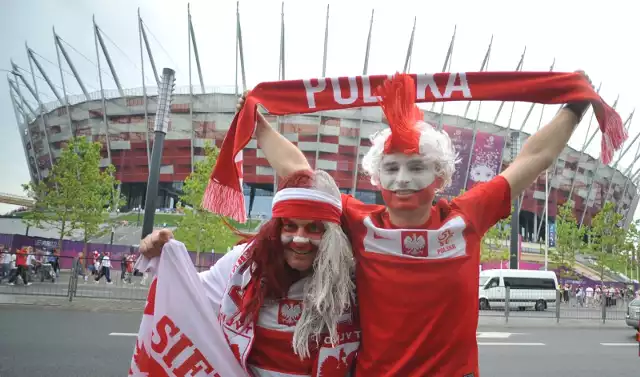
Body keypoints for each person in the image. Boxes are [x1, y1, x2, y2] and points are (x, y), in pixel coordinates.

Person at [225, 72, 596, 376]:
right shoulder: (358, 220)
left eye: (416, 167)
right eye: (391, 168)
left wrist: (576, 107)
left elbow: (534, 156)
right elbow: (300, 172)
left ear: (439, 176)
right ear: (377, 177)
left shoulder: (467, 216)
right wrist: (258, 127)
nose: (403, 179)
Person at [140, 170, 359, 376]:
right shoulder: (243, 266)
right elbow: (187, 294)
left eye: (313, 228)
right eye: (290, 226)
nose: (299, 240)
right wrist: (163, 254)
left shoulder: (353, 280)